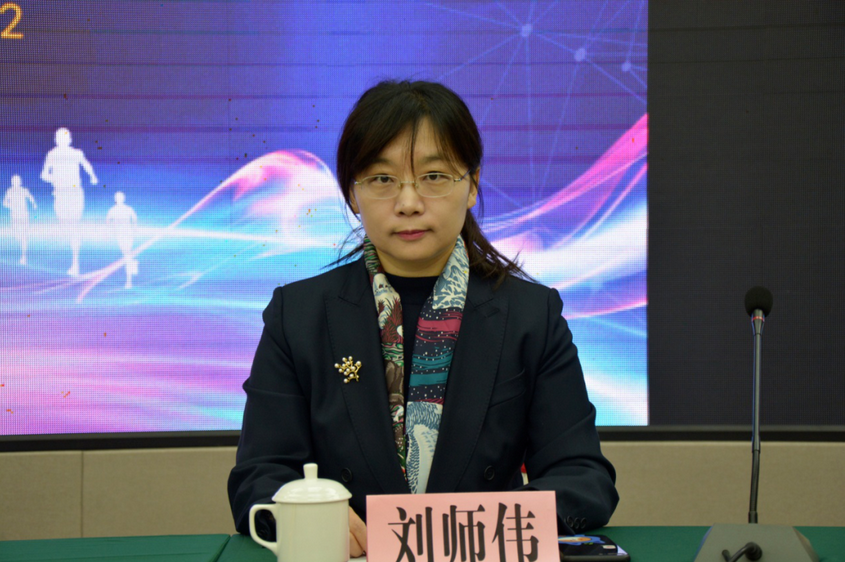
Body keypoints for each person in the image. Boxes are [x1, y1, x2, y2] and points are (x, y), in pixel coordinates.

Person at [228, 80, 618, 556]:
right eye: (382, 179)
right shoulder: (298, 315)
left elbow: (583, 478)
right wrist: (304, 514)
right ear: (351, 194)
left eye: (434, 176)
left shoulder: (532, 316)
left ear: (472, 184)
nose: (408, 202)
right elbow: (258, 476)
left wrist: (483, 528)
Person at [41, 127, 98, 276]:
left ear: (70, 139)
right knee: (64, 224)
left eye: (65, 137)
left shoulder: (76, 153)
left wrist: (92, 176)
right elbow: (44, 175)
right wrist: (55, 179)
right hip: (60, 193)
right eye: (59, 137)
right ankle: (72, 246)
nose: (62, 140)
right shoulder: (52, 154)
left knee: (73, 225)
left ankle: (75, 263)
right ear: (56, 140)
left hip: (74, 192)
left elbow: (86, 165)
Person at [105, 191, 139, 289]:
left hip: (127, 234)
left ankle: (129, 281)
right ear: (115, 199)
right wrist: (111, 230)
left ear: (123, 198)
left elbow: (134, 218)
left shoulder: (128, 209)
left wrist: (134, 230)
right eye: (117, 197)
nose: (119, 199)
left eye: (120, 197)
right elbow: (108, 221)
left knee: (127, 256)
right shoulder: (113, 210)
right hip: (120, 235)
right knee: (127, 255)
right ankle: (133, 265)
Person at [3, 174, 37, 265]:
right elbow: (5, 202)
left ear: (20, 182)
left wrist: (34, 204)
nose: (16, 182)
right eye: (14, 181)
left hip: (24, 215)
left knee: (24, 236)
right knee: (16, 234)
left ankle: (24, 257)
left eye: (17, 181)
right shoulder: (9, 191)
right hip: (14, 216)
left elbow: (30, 197)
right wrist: (11, 206)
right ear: (12, 182)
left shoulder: (24, 190)